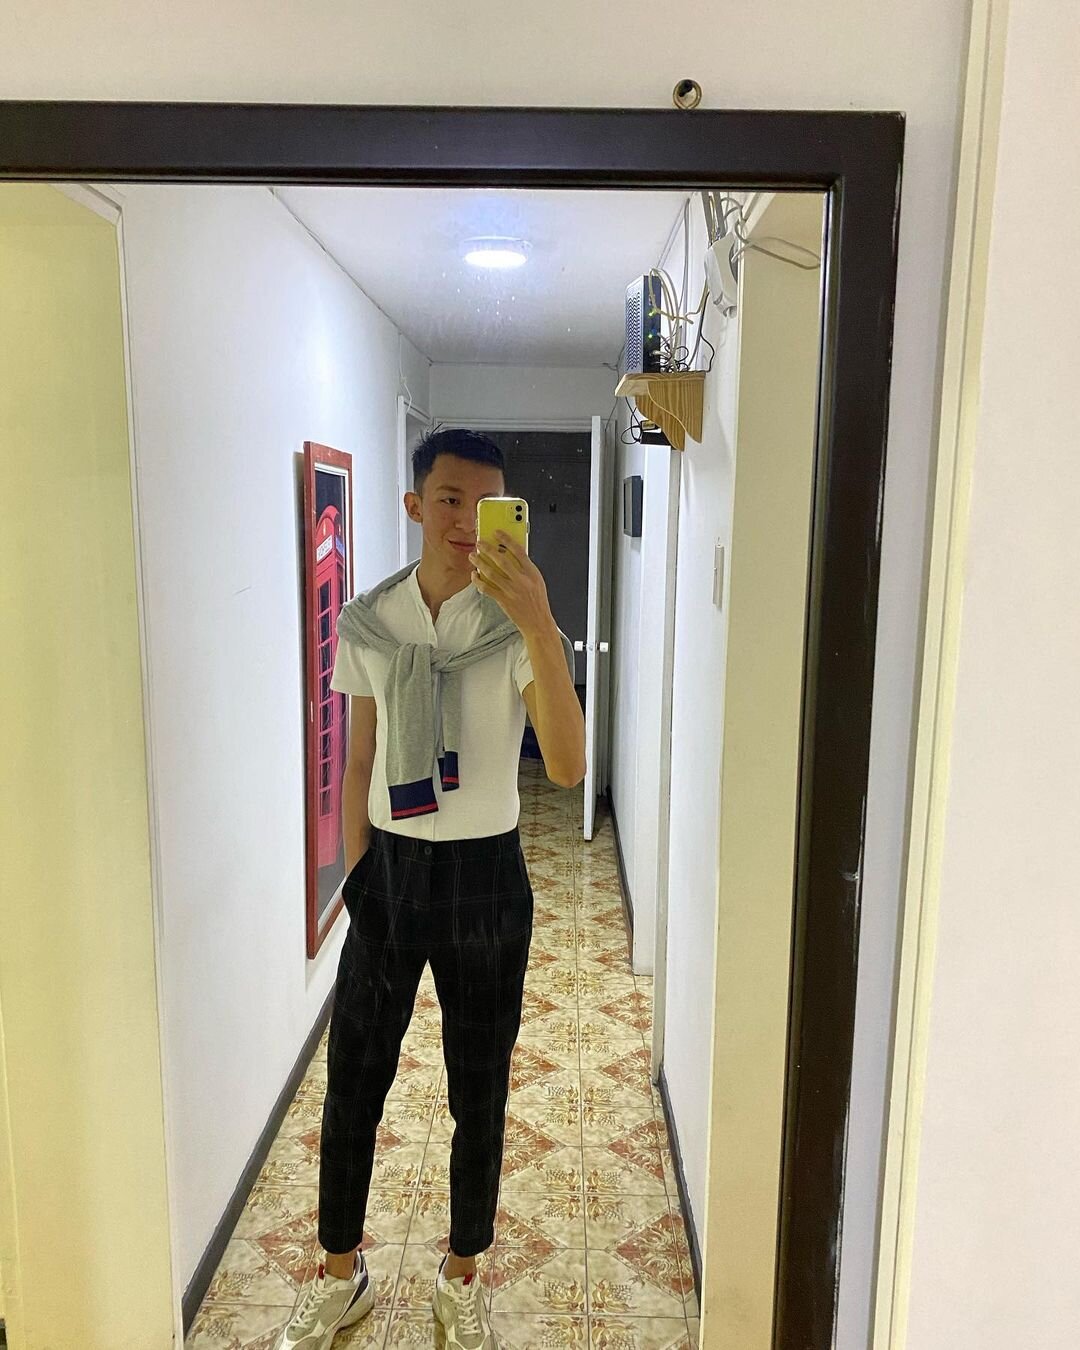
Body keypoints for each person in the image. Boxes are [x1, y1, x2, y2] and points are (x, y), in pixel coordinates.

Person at [278, 427, 586, 1350]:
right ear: (416, 506)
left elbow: (567, 767)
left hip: (487, 878)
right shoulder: (370, 619)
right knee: (353, 1081)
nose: (466, 521)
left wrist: (540, 624)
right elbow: (358, 757)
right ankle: (341, 1274)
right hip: (391, 873)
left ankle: (462, 1274)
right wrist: (358, 875)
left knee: (478, 1088)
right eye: (450, 499)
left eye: (487, 505)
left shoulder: (515, 626)